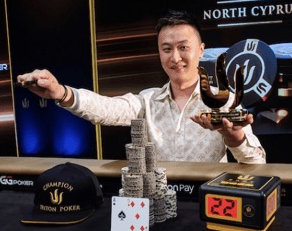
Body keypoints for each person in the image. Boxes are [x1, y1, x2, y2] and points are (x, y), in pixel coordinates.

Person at [16, 9, 266, 164]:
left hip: (208, 206)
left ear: (201, 50)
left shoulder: (225, 101)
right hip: (156, 210)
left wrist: (234, 138)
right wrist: (61, 93)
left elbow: (257, 163)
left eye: (183, 47)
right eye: (166, 49)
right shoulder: (147, 101)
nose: (175, 57)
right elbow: (106, 109)